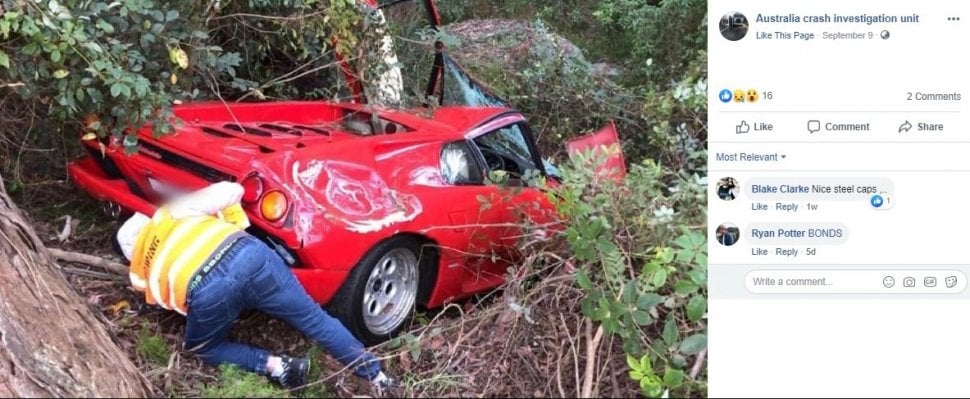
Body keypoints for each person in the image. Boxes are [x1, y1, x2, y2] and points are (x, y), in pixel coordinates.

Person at [115, 181, 395, 394]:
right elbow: (232, 190)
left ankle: (278, 366)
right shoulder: (170, 213)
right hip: (249, 255)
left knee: (203, 346)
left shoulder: (139, 272)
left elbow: (176, 304)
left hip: (209, 290)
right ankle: (378, 378)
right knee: (315, 320)